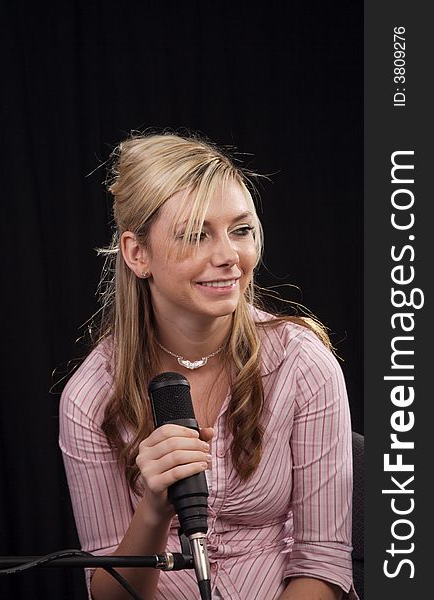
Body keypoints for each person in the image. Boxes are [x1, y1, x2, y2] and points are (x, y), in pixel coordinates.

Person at [59, 131, 359, 600]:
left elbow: (323, 562)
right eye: (196, 235)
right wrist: (155, 509)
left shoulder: (302, 363)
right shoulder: (90, 395)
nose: (228, 257)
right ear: (138, 254)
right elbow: (109, 594)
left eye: (240, 230)